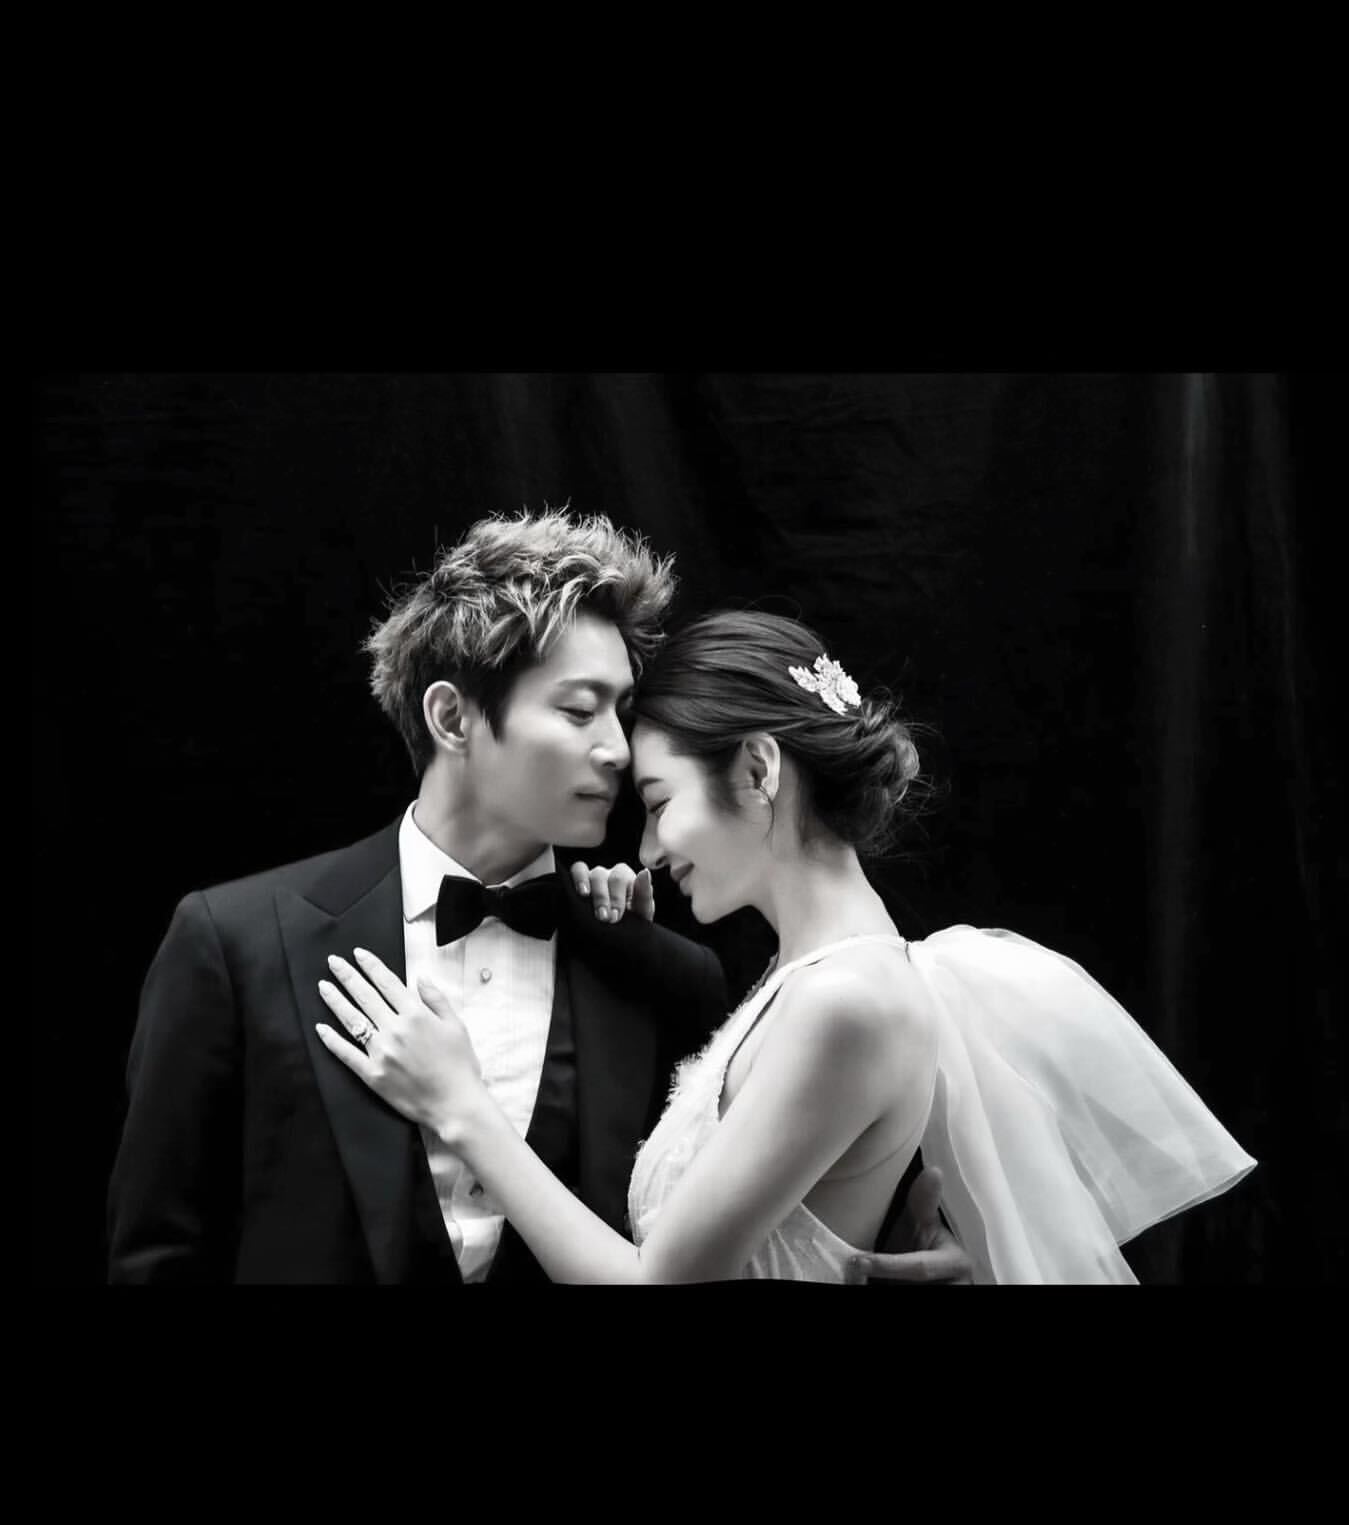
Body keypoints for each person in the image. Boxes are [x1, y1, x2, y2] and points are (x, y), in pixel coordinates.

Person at [109, 511, 967, 1284]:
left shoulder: (666, 970)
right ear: (452, 719)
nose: (620, 750)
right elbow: (158, 1254)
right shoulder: (234, 941)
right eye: (581, 710)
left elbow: (798, 1186)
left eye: (622, 712)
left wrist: (907, 1243)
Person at [316, 610, 1258, 1283]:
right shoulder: (810, 979)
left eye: (658, 803)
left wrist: (462, 1106)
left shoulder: (848, 1001)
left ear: (758, 769)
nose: (647, 848)